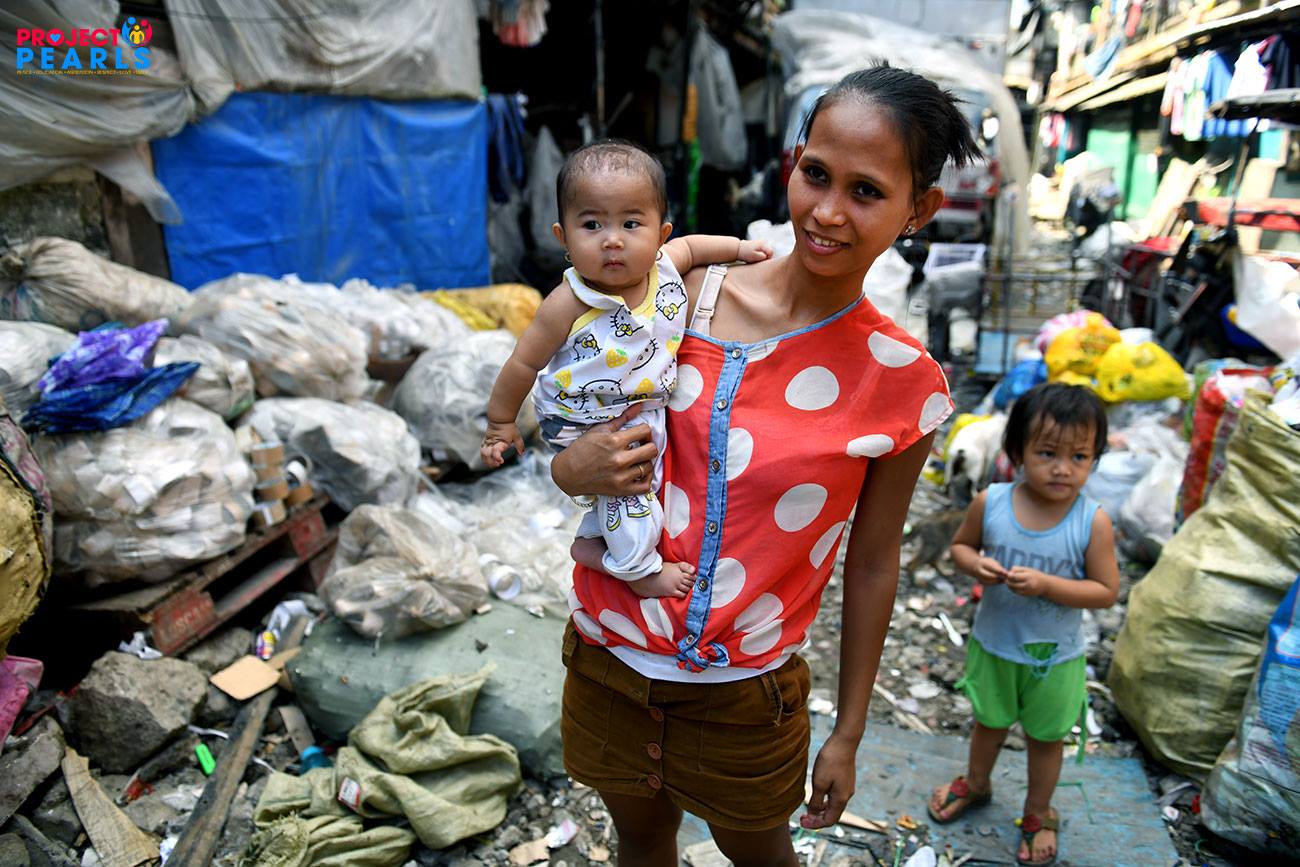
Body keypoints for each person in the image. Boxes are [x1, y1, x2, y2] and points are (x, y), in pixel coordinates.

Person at [549, 65, 980, 866]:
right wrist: (569, 469)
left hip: (744, 697)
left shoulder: (901, 381)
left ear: (919, 210)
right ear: (793, 162)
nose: (827, 211)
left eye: (866, 191)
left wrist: (848, 732)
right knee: (640, 840)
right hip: (608, 662)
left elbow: (873, 560)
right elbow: (574, 417)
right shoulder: (679, 293)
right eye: (816, 174)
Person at [481, 140, 772, 599]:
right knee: (632, 491)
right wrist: (501, 423)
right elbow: (523, 362)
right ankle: (638, 571)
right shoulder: (570, 302)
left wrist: (740, 248)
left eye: (631, 223)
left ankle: (592, 543)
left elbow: (695, 247)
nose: (612, 240)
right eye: (591, 225)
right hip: (582, 417)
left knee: (647, 483)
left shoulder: (666, 268)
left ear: (661, 233)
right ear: (562, 237)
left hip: (637, 407)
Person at [928, 382, 1120, 867]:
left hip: (1055, 660)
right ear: (1016, 453)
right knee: (988, 724)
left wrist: (1048, 585)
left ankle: (1038, 810)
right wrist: (977, 565)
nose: (1063, 468)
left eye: (1079, 456)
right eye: (1048, 453)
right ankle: (977, 783)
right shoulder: (991, 502)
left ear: (1095, 458)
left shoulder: (1091, 522)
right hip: (995, 646)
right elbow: (961, 547)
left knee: (1045, 739)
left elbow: (1105, 590)